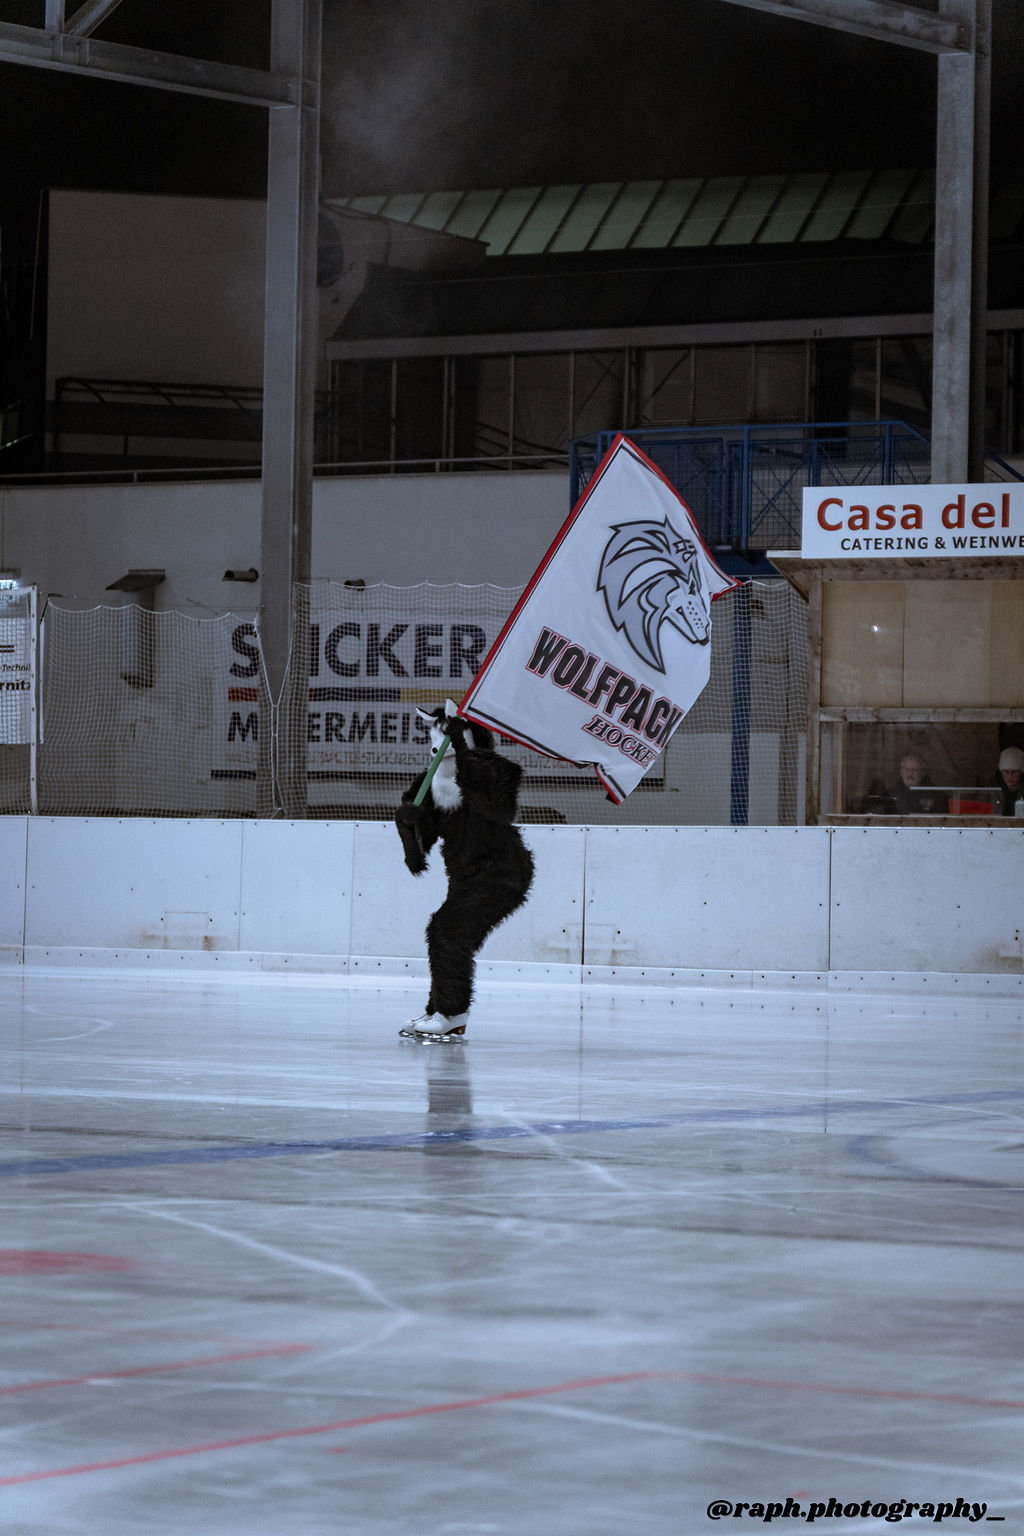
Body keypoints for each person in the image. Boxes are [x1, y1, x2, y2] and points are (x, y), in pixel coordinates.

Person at [394, 700, 534, 1042]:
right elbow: (417, 861)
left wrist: (460, 747)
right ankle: (440, 1012)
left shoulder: (500, 771)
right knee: (444, 933)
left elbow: (498, 812)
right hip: (464, 875)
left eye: (452, 742)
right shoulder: (428, 785)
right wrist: (406, 826)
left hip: (503, 872)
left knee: (448, 931)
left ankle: (451, 1013)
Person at [993, 746, 1024, 815]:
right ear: (1001, 772)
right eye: (1006, 772)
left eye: (1014, 772)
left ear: (1021, 772)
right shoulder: (991, 793)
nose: (1010, 776)